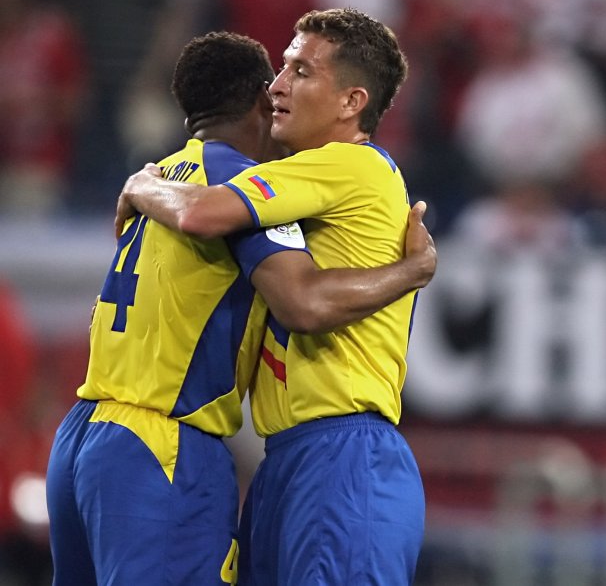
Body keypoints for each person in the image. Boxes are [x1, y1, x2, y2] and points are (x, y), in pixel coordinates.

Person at [46, 31, 436, 585]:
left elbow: (293, 295)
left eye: (300, 72)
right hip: (172, 445)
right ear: (255, 102)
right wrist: (412, 272)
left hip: (97, 432)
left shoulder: (176, 171)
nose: (280, 88)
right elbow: (296, 295)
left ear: (353, 101)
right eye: (281, 73)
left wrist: (137, 182)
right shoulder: (240, 186)